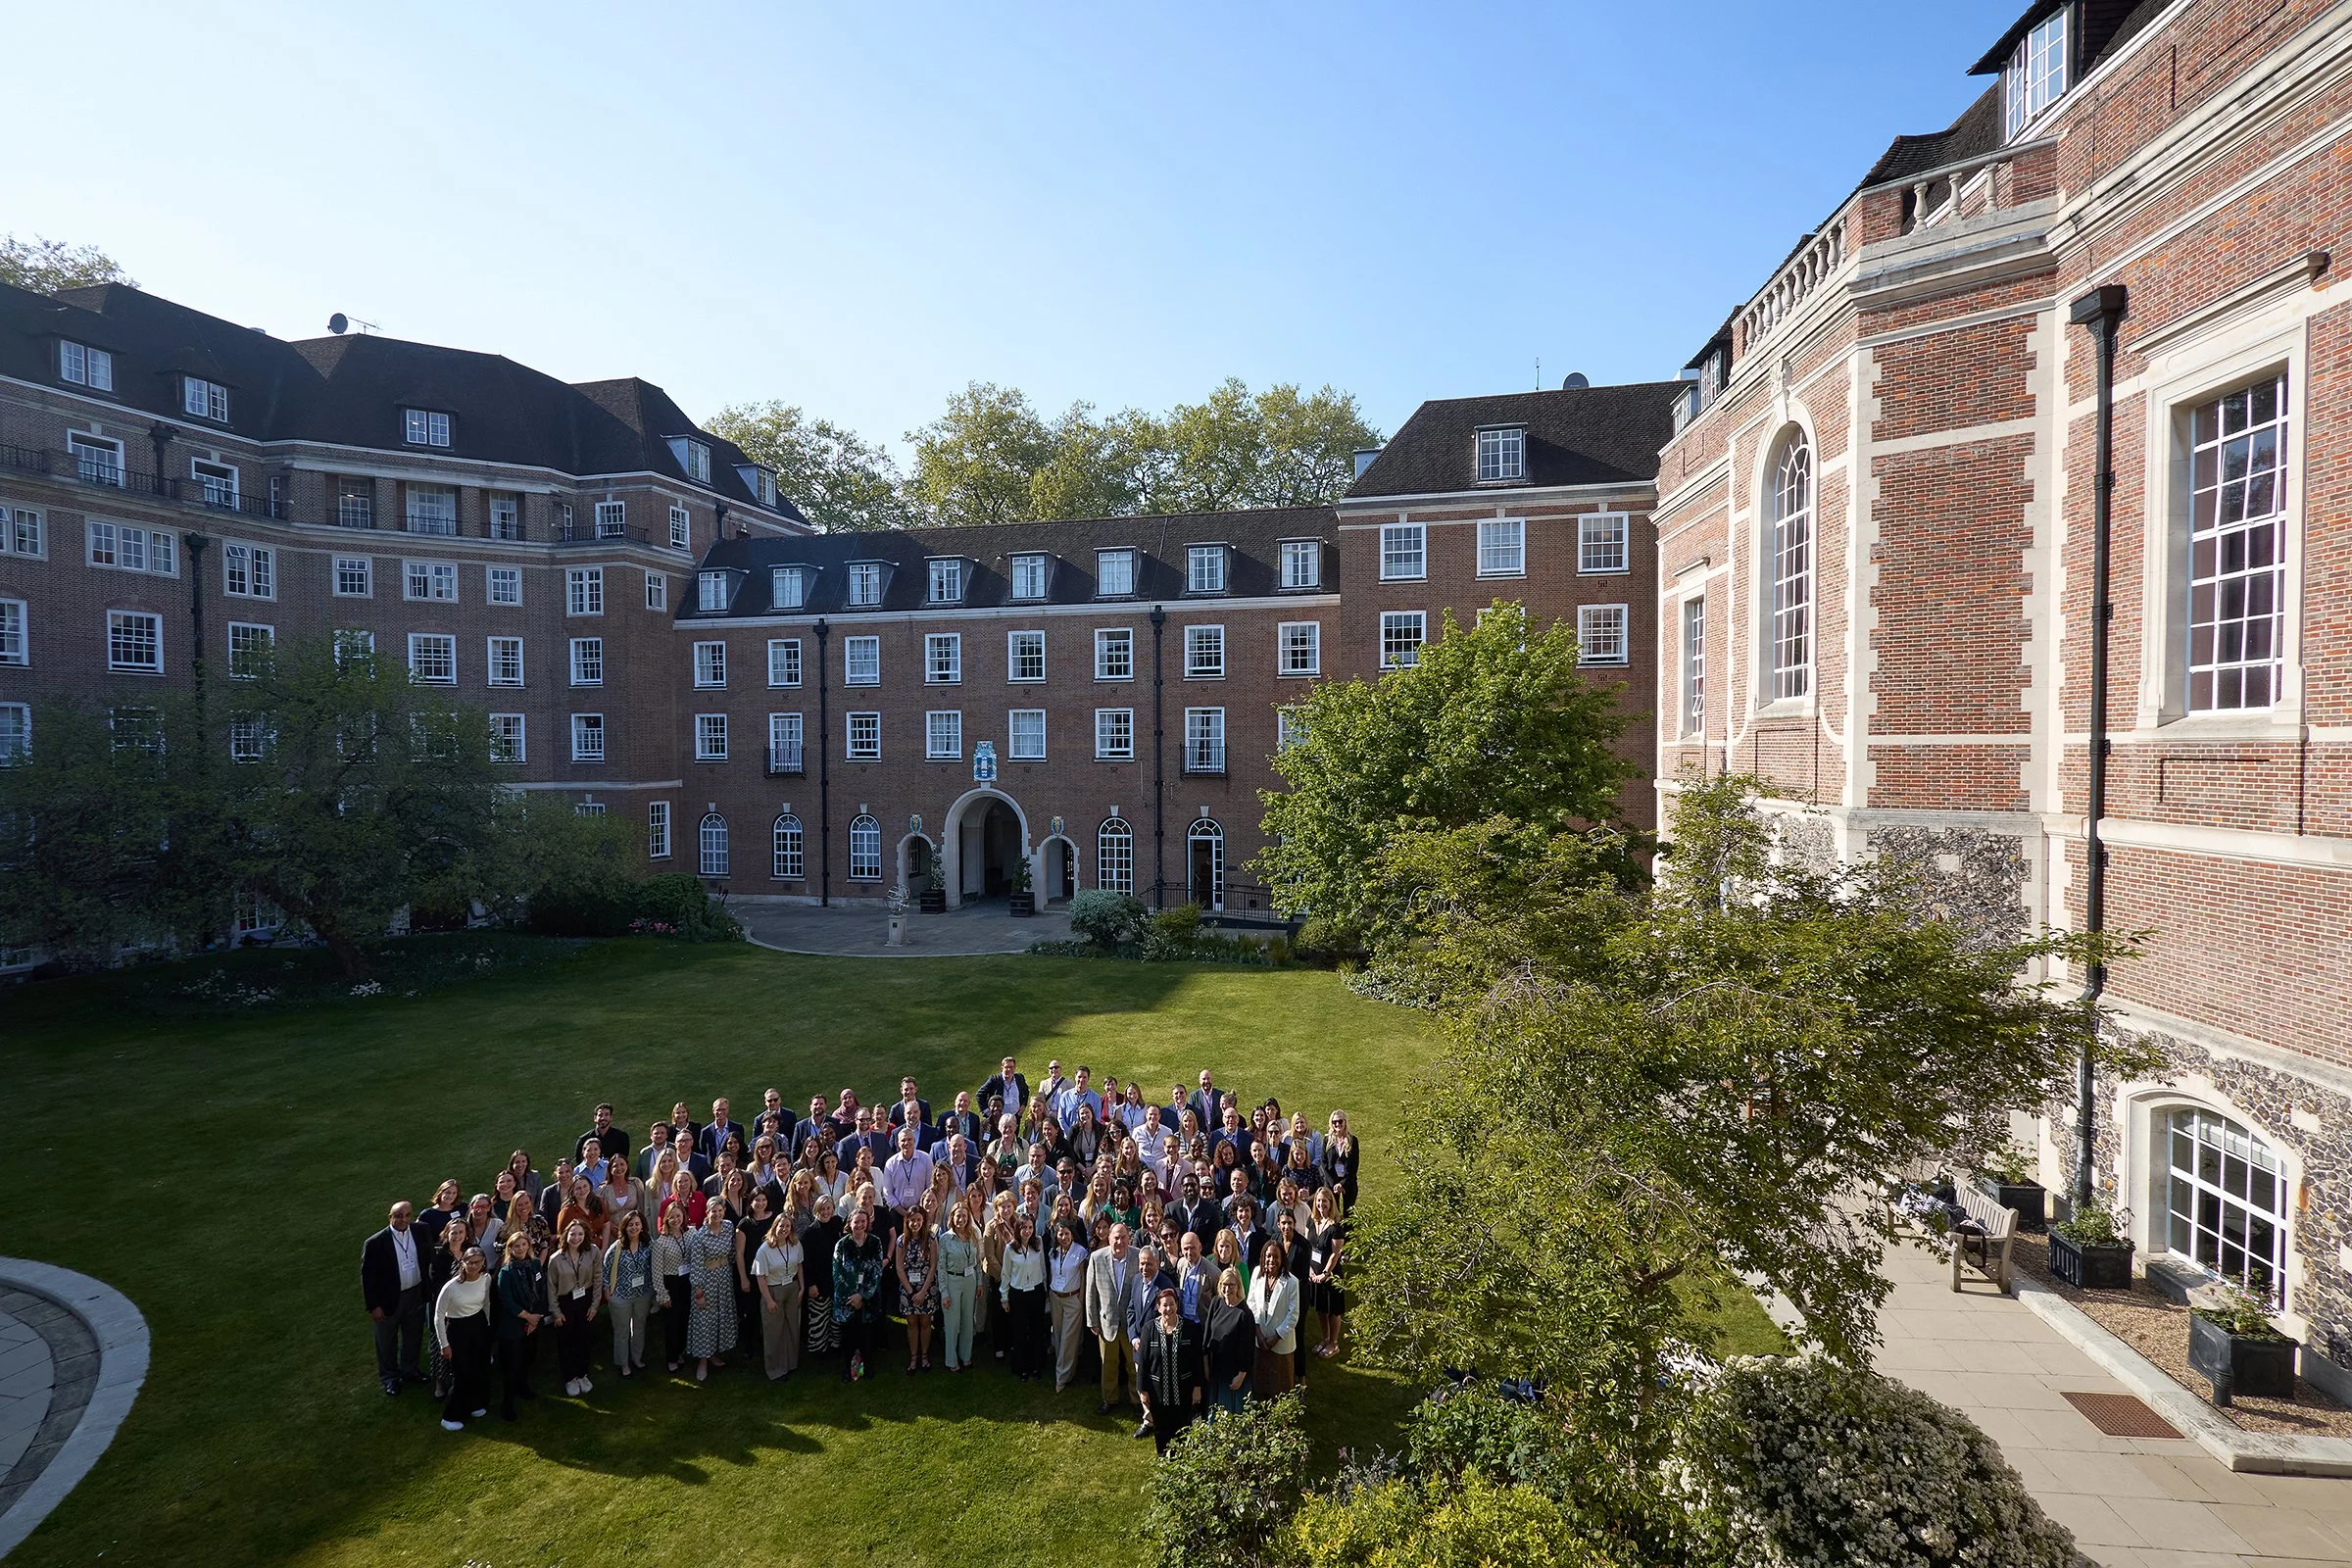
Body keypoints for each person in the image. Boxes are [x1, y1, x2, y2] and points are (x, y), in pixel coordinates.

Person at [361, 1200, 428, 1396]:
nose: (403, 1219)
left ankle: (410, 1371)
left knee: (413, 1335)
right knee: (386, 1340)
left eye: (407, 1215)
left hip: (415, 1293)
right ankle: (390, 1378)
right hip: (388, 1299)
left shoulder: (420, 1231)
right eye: (398, 1216)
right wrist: (374, 1306)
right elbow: (368, 1278)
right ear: (390, 1217)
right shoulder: (375, 1242)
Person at [1137, 1287, 1206, 1453]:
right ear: (1158, 1308)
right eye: (1164, 1305)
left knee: (1184, 1429)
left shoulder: (1190, 1329)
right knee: (1162, 1430)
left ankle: (1183, 1463)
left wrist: (1198, 1387)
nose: (1168, 1309)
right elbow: (1143, 1362)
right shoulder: (1149, 1329)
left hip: (1183, 1391)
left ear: (1177, 1305)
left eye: (1172, 1304)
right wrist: (1142, 1390)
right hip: (1158, 1393)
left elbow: (1197, 1361)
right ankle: (1163, 1460)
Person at [432, 1245, 494, 1431]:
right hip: (457, 1329)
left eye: (478, 1262)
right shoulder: (451, 1287)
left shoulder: (486, 1279)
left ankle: (475, 1404)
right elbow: (438, 1316)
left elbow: (486, 1304)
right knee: (462, 1373)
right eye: (470, 1262)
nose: (474, 1266)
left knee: (479, 1368)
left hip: (479, 1326)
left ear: (483, 1263)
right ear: (463, 1262)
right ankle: (451, 1415)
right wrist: (444, 1344)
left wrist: (487, 1329)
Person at [1086, 1222, 1143, 1416]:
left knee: (1133, 1365)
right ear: (1108, 1238)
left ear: (1129, 1238)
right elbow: (1090, 1290)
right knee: (1108, 1364)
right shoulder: (1096, 1258)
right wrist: (1092, 1320)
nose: (1119, 1241)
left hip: (1131, 1323)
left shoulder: (1138, 1256)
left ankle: (1137, 1400)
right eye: (1115, 1238)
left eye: (1123, 1237)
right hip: (1106, 1322)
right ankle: (1109, 1399)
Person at [493, 1230, 546, 1420]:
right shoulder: (506, 1271)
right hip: (513, 1325)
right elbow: (506, 1300)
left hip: (533, 1323)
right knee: (512, 1366)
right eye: (517, 1246)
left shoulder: (535, 1264)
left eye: (524, 1245)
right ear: (510, 1248)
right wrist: (528, 1317)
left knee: (527, 1359)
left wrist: (536, 1318)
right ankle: (507, 1403)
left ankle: (523, 1388)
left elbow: (541, 1290)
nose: (521, 1248)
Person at [547, 1219, 603, 1397]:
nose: (576, 1238)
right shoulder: (555, 1259)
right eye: (572, 1234)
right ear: (566, 1235)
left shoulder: (592, 1252)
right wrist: (556, 1312)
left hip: (585, 1300)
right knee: (566, 1342)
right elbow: (551, 1288)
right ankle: (569, 1377)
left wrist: (595, 1305)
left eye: (580, 1234)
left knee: (584, 1339)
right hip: (565, 1303)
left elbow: (598, 1279)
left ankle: (582, 1374)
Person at [832, 1205, 888, 1383]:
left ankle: (867, 1367)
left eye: (863, 1221)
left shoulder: (875, 1242)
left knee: (866, 1337)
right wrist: (852, 1297)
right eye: (857, 1221)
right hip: (846, 1301)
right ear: (850, 1223)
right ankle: (846, 1370)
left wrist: (862, 1296)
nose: (860, 1225)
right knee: (848, 1337)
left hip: (868, 1301)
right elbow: (837, 1272)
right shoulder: (842, 1244)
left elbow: (877, 1271)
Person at [684, 1200, 737, 1381]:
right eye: (713, 1211)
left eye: (720, 1211)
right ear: (707, 1212)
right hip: (707, 1281)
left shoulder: (729, 1227)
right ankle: (702, 1361)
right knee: (704, 1320)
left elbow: (731, 1253)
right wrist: (698, 1292)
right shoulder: (700, 1237)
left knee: (720, 1317)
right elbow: (696, 1265)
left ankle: (713, 1352)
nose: (717, 1214)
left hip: (724, 1279)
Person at [422, 1201, 469, 1401]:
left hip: (466, 1310)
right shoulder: (439, 1256)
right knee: (441, 1347)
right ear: (447, 1234)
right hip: (444, 1309)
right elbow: (438, 1284)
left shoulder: (470, 1253)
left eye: (460, 1232)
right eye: (454, 1232)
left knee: (461, 1347)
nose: (457, 1236)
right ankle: (440, 1384)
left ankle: (459, 1380)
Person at [604, 1209, 657, 1378]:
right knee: (622, 1330)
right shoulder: (616, 1248)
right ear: (624, 1227)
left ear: (642, 1226)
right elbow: (605, 1272)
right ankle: (623, 1363)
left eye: (637, 1224)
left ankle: (637, 1358)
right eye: (631, 1225)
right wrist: (608, 1294)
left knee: (639, 1327)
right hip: (620, 1297)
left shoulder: (648, 1243)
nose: (634, 1227)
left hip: (643, 1294)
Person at [752, 1210, 804, 1380]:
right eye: (782, 1226)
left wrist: (802, 1287)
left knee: (791, 1328)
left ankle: (790, 1364)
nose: (785, 1229)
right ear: (775, 1227)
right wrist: (769, 1300)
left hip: (792, 1289)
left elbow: (800, 1266)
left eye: (788, 1226)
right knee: (774, 1332)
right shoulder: (765, 1249)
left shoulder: (795, 1244)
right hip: (773, 1291)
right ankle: (775, 1369)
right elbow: (761, 1277)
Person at [1247, 1238, 1299, 1399]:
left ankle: (1281, 1421)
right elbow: (1251, 1303)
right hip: (1260, 1340)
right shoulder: (1257, 1273)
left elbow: (1293, 1314)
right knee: (1260, 1384)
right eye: (1268, 1256)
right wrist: (1258, 1333)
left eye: (1276, 1257)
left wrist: (1276, 1337)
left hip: (1281, 1344)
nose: (1271, 1260)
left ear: (1282, 1259)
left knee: (1280, 1387)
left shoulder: (1291, 1282)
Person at [1001, 1211, 1050, 1380]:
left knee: (1037, 1330)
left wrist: (1045, 1291)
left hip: (1036, 1292)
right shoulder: (1010, 1248)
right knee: (1020, 1332)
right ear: (1018, 1229)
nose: (1027, 1231)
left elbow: (1042, 1267)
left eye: (1030, 1227)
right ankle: (1021, 1367)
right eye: (1024, 1227)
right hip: (1018, 1294)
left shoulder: (1039, 1243)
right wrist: (1004, 1297)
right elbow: (1006, 1274)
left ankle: (1037, 1366)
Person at [937, 1197, 980, 1372]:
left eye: (964, 1216)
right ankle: (951, 1360)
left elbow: (977, 1262)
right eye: (958, 1216)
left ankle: (966, 1356)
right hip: (952, 1280)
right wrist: (944, 1292)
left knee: (968, 1321)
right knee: (952, 1323)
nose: (961, 1219)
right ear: (952, 1218)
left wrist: (980, 1283)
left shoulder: (973, 1236)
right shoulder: (946, 1239)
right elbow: (940, 1267)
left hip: (970, 1280)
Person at [1204, 1266, 1254, 1416]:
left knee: (1233, 1414)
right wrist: (1206, 1366)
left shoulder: (1245, 1314)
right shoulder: (1216, 1303)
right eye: (1224, 1285)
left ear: (1238, 1286)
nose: (1227, 1289)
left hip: (1234, 1374)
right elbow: (1207, 1335)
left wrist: (1241, 1376)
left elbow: (1248, 1348)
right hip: (1216, 1369)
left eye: (1231, 1285)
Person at [896, 1201, 939, 1372]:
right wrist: (912, 1292)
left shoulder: (930, 1239)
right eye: (912, 1220)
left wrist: (922, 1291)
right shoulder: (901, 1241)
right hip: (909, 1290)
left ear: (924, 1220)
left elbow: (933, 1266)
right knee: (912, 1323)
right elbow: (899, 1268)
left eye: (918, 1219)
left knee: (926, 1322)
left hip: (927, 1288)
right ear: (907, 1221)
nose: (915, 1223)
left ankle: (925, 1356)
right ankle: (913, 1357)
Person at [1306, 1186, 1348, 1357]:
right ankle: (1325, 1338)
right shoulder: (1312, 1220)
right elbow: (1309, 1245)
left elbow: (1336, 1252)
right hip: (1314, 1273)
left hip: (1330, 1274)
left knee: (1333, 1310)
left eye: (1325, 1201)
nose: (1321, 1204)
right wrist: (1310, 1270)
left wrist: (1325, 1273)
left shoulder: (1336, 1226)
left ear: (1331, 1202)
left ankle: (1334, 1342)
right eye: (1318, 1201)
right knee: (1320, 1309)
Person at [803, 1195, 843, 1365]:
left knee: (835, 1317)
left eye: (828, 1208)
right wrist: (810, 1284)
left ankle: (835, 1346)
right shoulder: (811, 1232)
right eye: (822, 1209)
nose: (826, 1212)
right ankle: (819, 1350)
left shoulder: (837, 1224)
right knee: (819, 1319)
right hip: (818, 1282)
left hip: (836, 1280)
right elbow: (806, 1262)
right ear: (816, 1211)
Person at [1321, 1111, 1360, 1212]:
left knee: (1349, 1214)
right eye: (1334, 1122)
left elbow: (1354, 1166)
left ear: (1345, 1122)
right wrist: (1334, 1183)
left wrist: (1342, 1184)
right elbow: (1324, 1163)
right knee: (1333, 1212)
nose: (1337, 1124)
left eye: (1340, 1121)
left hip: (1349, 1182)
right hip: (1331, 1182)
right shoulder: (1327, 1140)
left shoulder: (1353, 1140)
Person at [978, 1055, 1029, 1126]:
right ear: (1002, 1068)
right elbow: (979, 1094)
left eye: (1011, 1067)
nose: (1008, 1069)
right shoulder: (994, 1080)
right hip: (998, 1118)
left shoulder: (1019, 1078)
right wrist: (987, 1112)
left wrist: (1024, 1105)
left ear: (1015, 1068)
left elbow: (1026, 1091)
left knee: (1013, 1136)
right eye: (1006, 1067)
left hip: (1015, 1117)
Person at [698, 1098, 747, 1164]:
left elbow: (741, 1148)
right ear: (713, 1111)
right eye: (718, 1109)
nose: (720, 1112)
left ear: (728, 1110)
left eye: (723, 1109)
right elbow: (702, 1152)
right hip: (712, 1169)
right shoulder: (706, 1132)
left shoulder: (737, 1128)